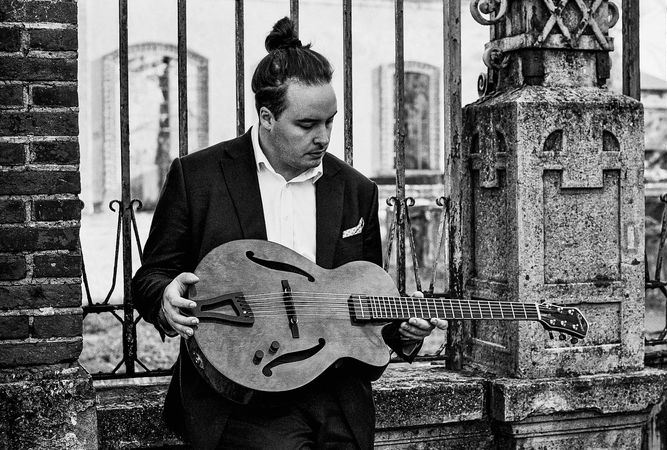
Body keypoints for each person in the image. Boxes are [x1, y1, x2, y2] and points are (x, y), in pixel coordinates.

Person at [131, 17, 447, 449]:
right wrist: (165, 299)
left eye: (330, 122)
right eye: (307, 124)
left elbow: (363, 305)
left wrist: (402, 332)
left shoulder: (356, 189)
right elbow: (150, 278)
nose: (323, 137)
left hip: (338, 401)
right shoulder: (198, 177)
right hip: (241, 398)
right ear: (267, 116)